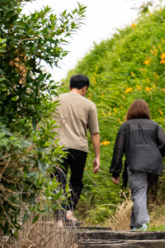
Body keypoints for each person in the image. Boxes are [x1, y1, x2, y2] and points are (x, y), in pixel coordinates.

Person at [110, 99, 165, 231]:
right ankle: (135, 225)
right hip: (154, 164)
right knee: (140, 193)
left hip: (136, 163)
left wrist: (116, 172)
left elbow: (118, 150)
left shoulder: (126, 126)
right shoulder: (155, 126)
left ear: (130, 111)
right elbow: (164, 143)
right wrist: (156, 155)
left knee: (139, 192)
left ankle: (143, 223)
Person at [53, 73, 101, 226]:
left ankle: (59, 220)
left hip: (58, 147)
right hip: (79, 148)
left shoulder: (55, 100)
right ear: (85, 88)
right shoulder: (89, 105)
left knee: (58, 182)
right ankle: (69, 212)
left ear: (69, 86)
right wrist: (97, 156)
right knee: (76, 181)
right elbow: (94, 133)